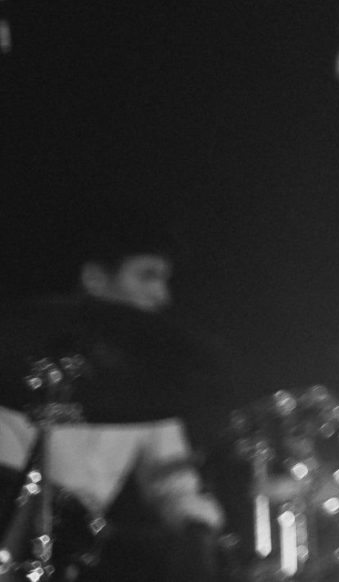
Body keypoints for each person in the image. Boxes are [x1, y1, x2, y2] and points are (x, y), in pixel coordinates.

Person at [0, 212, 226, 581]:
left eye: (164, 280)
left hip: (76, 558)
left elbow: (174, 482)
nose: (162, 296)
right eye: (147, 276)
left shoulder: (149, 386)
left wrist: (196, 531)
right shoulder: (17, 367)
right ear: (95, 278)